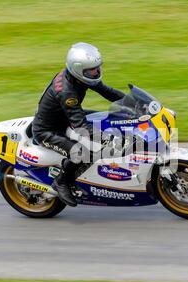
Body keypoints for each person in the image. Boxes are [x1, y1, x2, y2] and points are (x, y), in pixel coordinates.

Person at [32, 42, 125, 207]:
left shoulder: (79, 77)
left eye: (97, 67)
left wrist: (131, 102)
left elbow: (107, 91)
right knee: (83, 152)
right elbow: (82, 128)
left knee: (105, 117)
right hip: (48, 131)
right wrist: (109, 139)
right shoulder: (68, 92)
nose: (96, 72)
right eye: (91, 70)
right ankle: (61, 182)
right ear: (78, 69)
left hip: (65, 118)